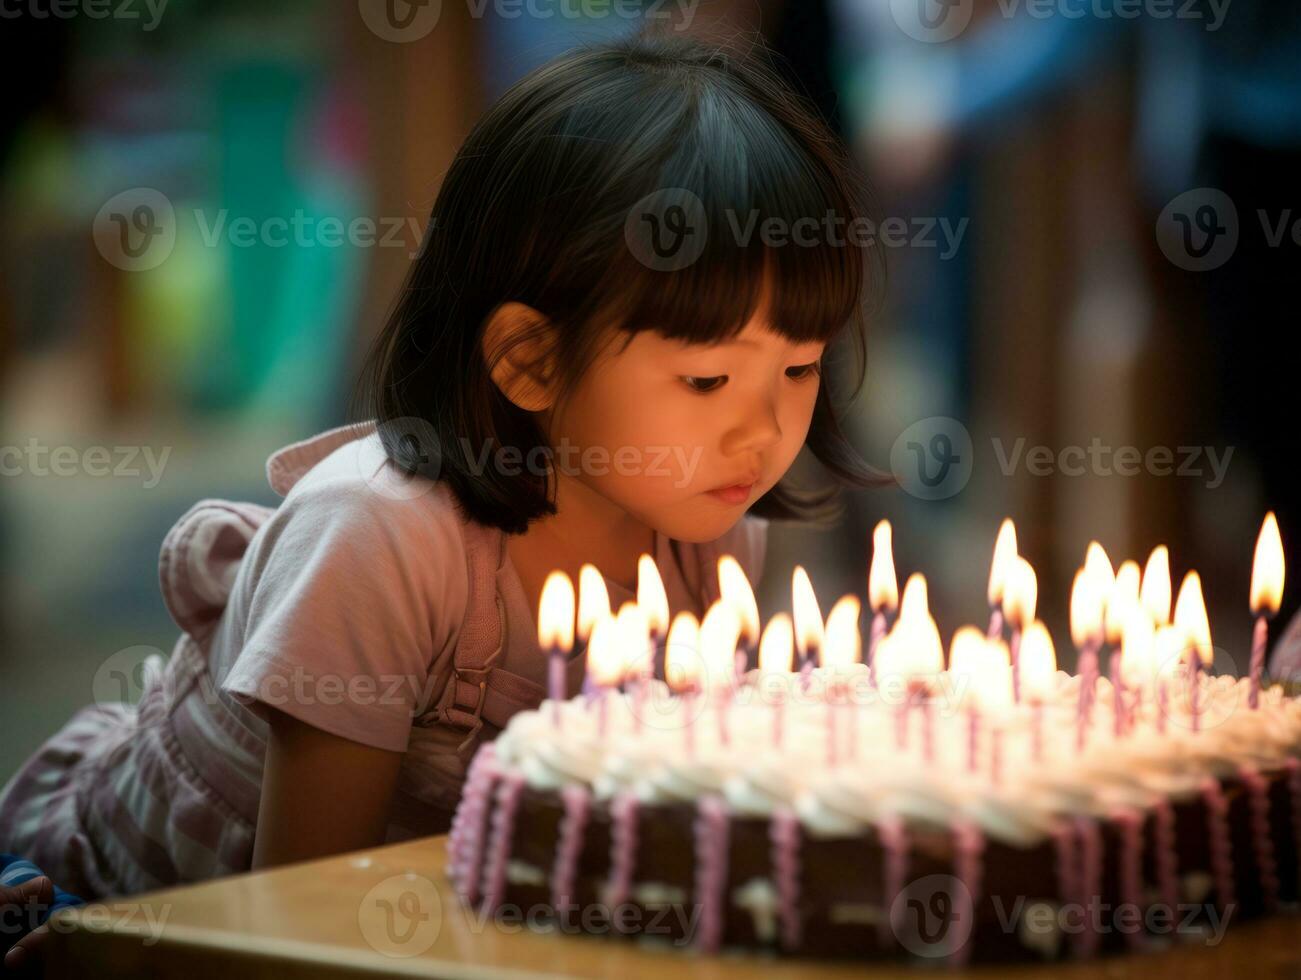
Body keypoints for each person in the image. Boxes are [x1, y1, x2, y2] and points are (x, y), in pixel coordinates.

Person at [0, 25, 885, 961]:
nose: (762, 430)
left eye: (798, 368)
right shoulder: (381, 539)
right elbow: (292, 919)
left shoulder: (711, 545)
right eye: (706, 381)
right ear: (529, 359)